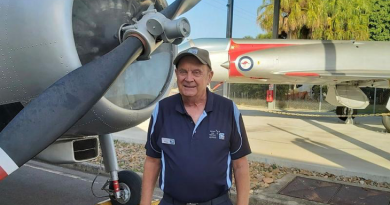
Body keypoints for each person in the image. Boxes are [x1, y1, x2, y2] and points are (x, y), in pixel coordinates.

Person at [140, 47, 251, 205]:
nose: (189, 78)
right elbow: (152, 161)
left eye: (196, 72)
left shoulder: (228, 109)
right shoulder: (162, 109)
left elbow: (240, 165)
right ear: (176, 74)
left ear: (209, 76)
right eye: (183, 71)